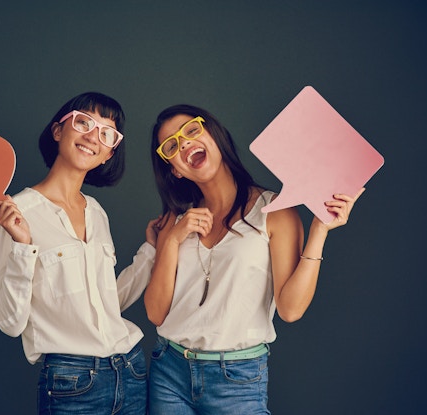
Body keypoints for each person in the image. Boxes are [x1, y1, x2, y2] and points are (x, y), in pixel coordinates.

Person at [143, 104, 364, 414]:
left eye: (191, 130)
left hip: (237, 378)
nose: (185, 143)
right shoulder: (174, 222)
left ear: (214, 136)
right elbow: (155, 313)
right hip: (169, 372)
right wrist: (172, 240)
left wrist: (319, 231)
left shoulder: (274, 211)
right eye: (172, 146)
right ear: (175, 168)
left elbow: (290, 309)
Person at [0, 92, 156, 415]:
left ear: (108, 154)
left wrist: (150, 252)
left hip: (131, 370)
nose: (93, 136)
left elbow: (107, 305)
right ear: (58, 131)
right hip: (73, 383)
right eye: (84, 122)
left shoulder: (96, 212)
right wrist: (23, 247)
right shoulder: (15, 213)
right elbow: (10, 322)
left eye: (107, 133)